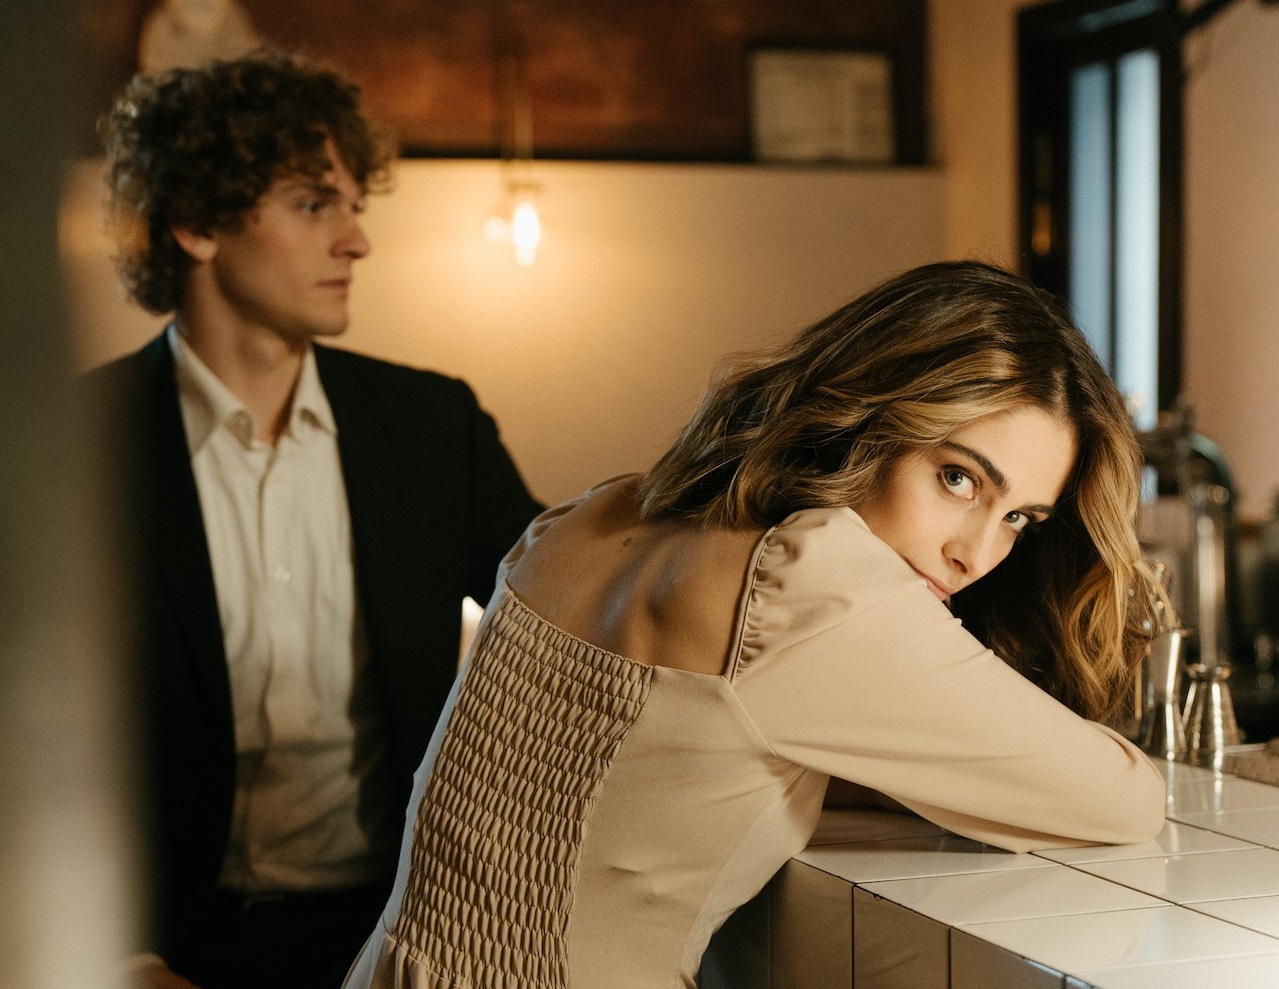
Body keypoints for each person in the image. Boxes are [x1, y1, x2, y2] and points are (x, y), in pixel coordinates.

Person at [341, 260, 1170, 989]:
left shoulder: (594, 511)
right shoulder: (811, 583)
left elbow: (658, 755)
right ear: (863, 419)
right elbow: (1124, 799)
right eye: (956, 478)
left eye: (1019, 518)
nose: (975, 553)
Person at [86, 50, 542, 989]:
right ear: (195, 222)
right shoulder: (73, 446)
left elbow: (569, 624)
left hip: (397, 935)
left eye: (353, 204)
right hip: (159, 949)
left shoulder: (431, 426)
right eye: (312, 203)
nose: (355, 241)